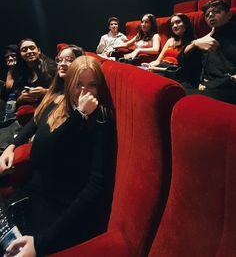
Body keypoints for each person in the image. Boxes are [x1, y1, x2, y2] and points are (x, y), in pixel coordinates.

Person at [0, 56, 115, 256]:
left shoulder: (101, 119)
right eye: (78, 84)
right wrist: (12, 145)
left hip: (62, 207)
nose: (84, 92)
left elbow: (96, 187)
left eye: (92, 85)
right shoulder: (58, 101)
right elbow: (39, 153)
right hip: (34, 192)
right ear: (69, 84)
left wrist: (41, 243)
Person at [184, 0, 236, 104]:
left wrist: (208, 86)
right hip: (205, 87)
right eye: (207, 14)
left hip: (227, 89)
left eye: (216, 11)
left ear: (229, 15)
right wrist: (195, 43)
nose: (211, 15)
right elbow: (182, 58)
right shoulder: (206, 38)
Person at [142, 13, 201, 87]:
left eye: (178, 22)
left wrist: (155, 69)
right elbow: (158, 60)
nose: (174, 26)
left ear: (186, 24)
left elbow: (180, 70)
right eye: (172, 24)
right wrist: (150, 65)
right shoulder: (170, 40)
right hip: (160, 67)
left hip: (171, 72)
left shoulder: (192, 43)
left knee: (149, 82)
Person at [16, 38, 57, 106]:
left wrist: (45, 92)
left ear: (39, 51)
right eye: (24, 50)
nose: (29, 51)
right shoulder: (20, 71)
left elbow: (64, 91)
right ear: (20, 54)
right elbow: (15, 97)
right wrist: (21, 98)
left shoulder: (52, 67)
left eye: (32, 48)